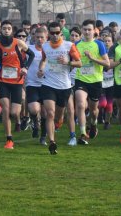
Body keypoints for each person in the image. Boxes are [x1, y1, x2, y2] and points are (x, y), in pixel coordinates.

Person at [0, 20, 35, 149]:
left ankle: (19, 121)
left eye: (9, 28)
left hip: (17, 82)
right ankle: (9, 139)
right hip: (3, 82)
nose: (6, 30)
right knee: (5, 109)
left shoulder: (19, 43)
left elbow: (31, 55)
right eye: (4, 28)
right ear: (1, 30)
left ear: (12, 30)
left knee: (14, 112)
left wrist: (26, 68)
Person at [37, 21, 82, 154]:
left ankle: (59, 121)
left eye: (57, 33)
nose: (55, 35)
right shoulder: (45, 46)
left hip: (64, 86)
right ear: (49, 33)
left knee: (58, 116)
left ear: (61, 33)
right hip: (48, 84)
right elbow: (44, 60)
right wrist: (41, 69)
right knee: (49, 113)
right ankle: (52, 142)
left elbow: (79, 63)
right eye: (52, 33)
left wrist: (68, 61)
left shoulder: (69, 46)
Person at [74, 19, 110, 145]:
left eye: (89, 29)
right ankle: (83, 134)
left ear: (94, 30)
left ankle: (93, 124)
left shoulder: (99, 44)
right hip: (81, 79)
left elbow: (107, 63)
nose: (87, 32)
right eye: (85, 30)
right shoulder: (77, 44)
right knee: (80, 104)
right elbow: (73, 61)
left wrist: (92, 58)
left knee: (94, 110)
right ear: (82, 30)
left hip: (95, 81)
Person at [25, 27, 47, 142]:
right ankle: (34, 123)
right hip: (32, 84)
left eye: (42, 37)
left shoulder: (50, 49)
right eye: (37, 37)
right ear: (34, 37)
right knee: (33, 109)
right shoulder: (29, 49)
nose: (39, 39)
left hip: (46, 84)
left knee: (44, 112)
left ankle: (43, 135)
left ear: (46, 37)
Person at [99, 32, 115, 130]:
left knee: (109, 104)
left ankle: (107, 122)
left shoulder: (115, 53)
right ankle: (98, 115)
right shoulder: (100, 53)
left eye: (109, 41)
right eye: (105, 41)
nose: (107, 43)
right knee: (102, 103)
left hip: (112, 82)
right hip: (101, 81)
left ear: (112, 43)